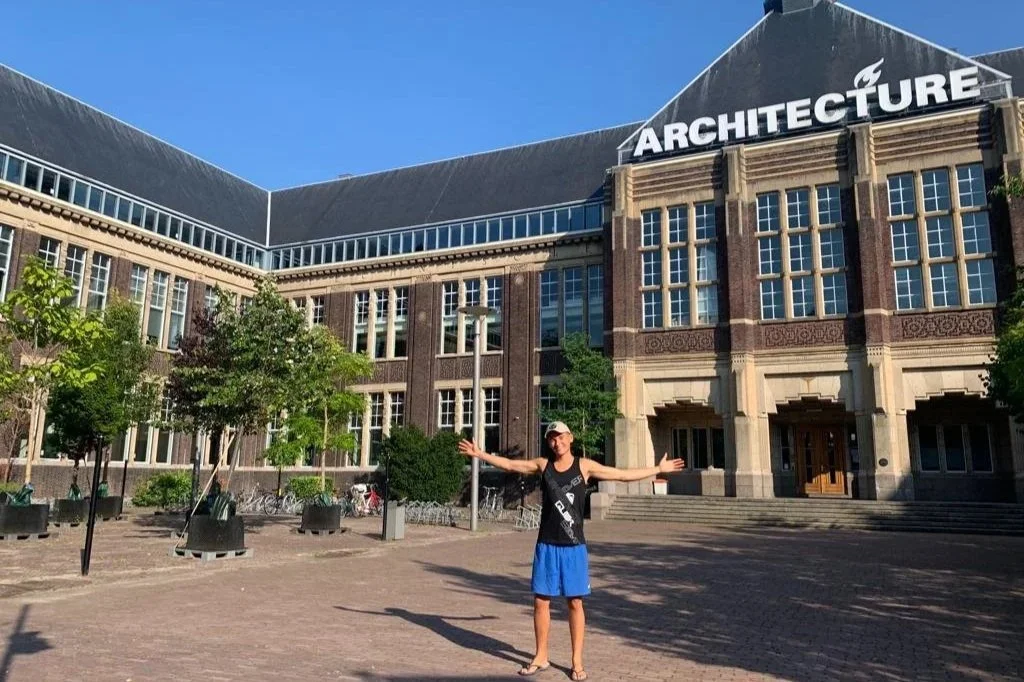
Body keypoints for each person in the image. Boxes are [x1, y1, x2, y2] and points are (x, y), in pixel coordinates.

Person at [458, 421, 684, 680]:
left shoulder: (584, 467)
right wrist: (480, 454)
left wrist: (658, 468)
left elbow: (620, 474)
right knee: (541, 601)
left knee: (575, 602)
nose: (557, 442)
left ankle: (577, 661)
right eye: (552, 438)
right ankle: (540, 656)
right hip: (546, 545)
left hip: (574, 546)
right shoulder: (544, 466)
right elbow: (511, 465)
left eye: (561, 437)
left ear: (571, 438)